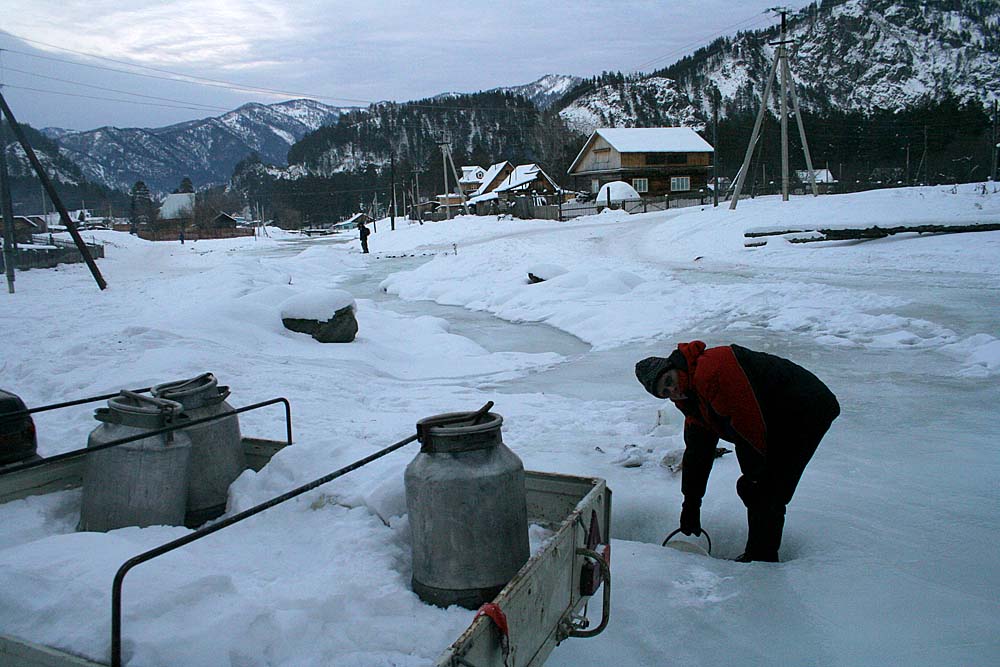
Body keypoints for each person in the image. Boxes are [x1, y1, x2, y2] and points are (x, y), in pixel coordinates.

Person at [635, 341, 839, 562]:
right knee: (758, 488)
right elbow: (698, 452)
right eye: (665, 392)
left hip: (805, 408)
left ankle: (762, 561)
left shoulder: (710, 371)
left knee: (764, 490)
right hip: (776, 418)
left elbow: (748, 425)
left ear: (674, 368)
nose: (672, 390)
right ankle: (760, 556)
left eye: (669, 381)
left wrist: (755, 475)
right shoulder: (691, 399)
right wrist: (691, 504)